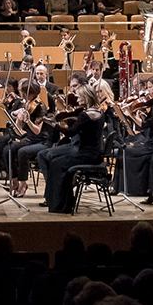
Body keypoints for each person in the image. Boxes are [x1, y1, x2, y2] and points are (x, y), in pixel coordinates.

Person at [38, 75, 105, 213]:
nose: (78, 99)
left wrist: (55, 127)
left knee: (56, 164)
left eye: (80, 97)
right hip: (95, 153)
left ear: (86, 97)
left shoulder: (85, 115)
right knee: (57, 162)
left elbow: (71, 133)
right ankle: (65, 201)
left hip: (85, 154)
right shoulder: (99, 111)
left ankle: (60, 204)